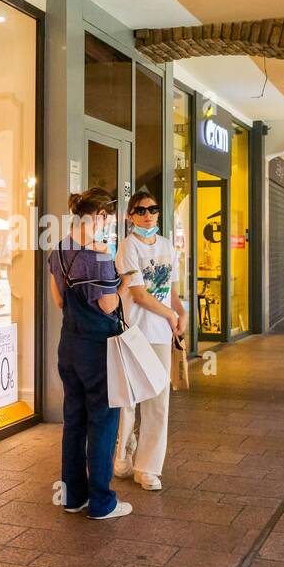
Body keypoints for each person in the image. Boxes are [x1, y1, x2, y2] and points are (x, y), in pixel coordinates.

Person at [47, 188, 135, 520]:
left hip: (68, 346)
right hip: (98, 349)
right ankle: (102, 502)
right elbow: (108, 304)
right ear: (97, 217)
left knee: (75, 421)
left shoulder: (58, 249)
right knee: (103, 421)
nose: (107, 226)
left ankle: (73, 496)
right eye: (107, 219)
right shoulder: (98, 255)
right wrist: (123, 282)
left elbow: (58, 301)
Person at [113, 190, 188, 491]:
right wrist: (170, 314)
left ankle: (148, 468)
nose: (148, 215)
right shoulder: (127, 248)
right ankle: (122, 453)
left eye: (153, 209)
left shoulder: (168, 247)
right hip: (133, 332)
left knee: (159, 403)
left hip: (159, 336)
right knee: (129, 400)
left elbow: (170, 289)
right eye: (141, 210)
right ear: (130, 216)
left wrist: (180, 312)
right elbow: (138, 294)